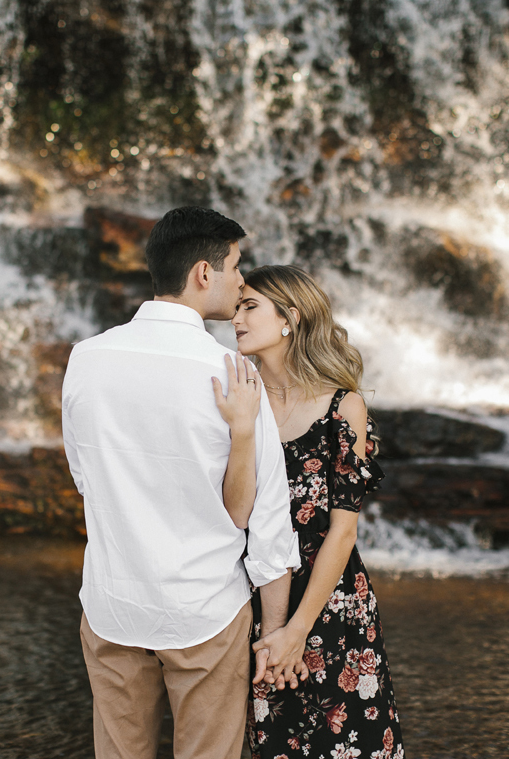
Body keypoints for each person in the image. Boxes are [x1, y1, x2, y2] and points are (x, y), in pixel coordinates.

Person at [61, 206, 303, 759]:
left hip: (113, 604)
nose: (241, 281)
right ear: (202, 273)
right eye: (236, 267)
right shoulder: (232, 372)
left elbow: (84, 478)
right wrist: (273, 633)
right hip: (205, 611)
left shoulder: (86, 359)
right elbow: (265, 516)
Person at [215, 265, 404, 759]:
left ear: (290, 319)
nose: (235, 317)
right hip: (251, 594)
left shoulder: (343, 408)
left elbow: (342, 533)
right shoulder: (240, 399)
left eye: (249, 306)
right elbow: (233, 511)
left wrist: (297, 631)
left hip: (329, 604)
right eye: (236, 306)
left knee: (343, 743)